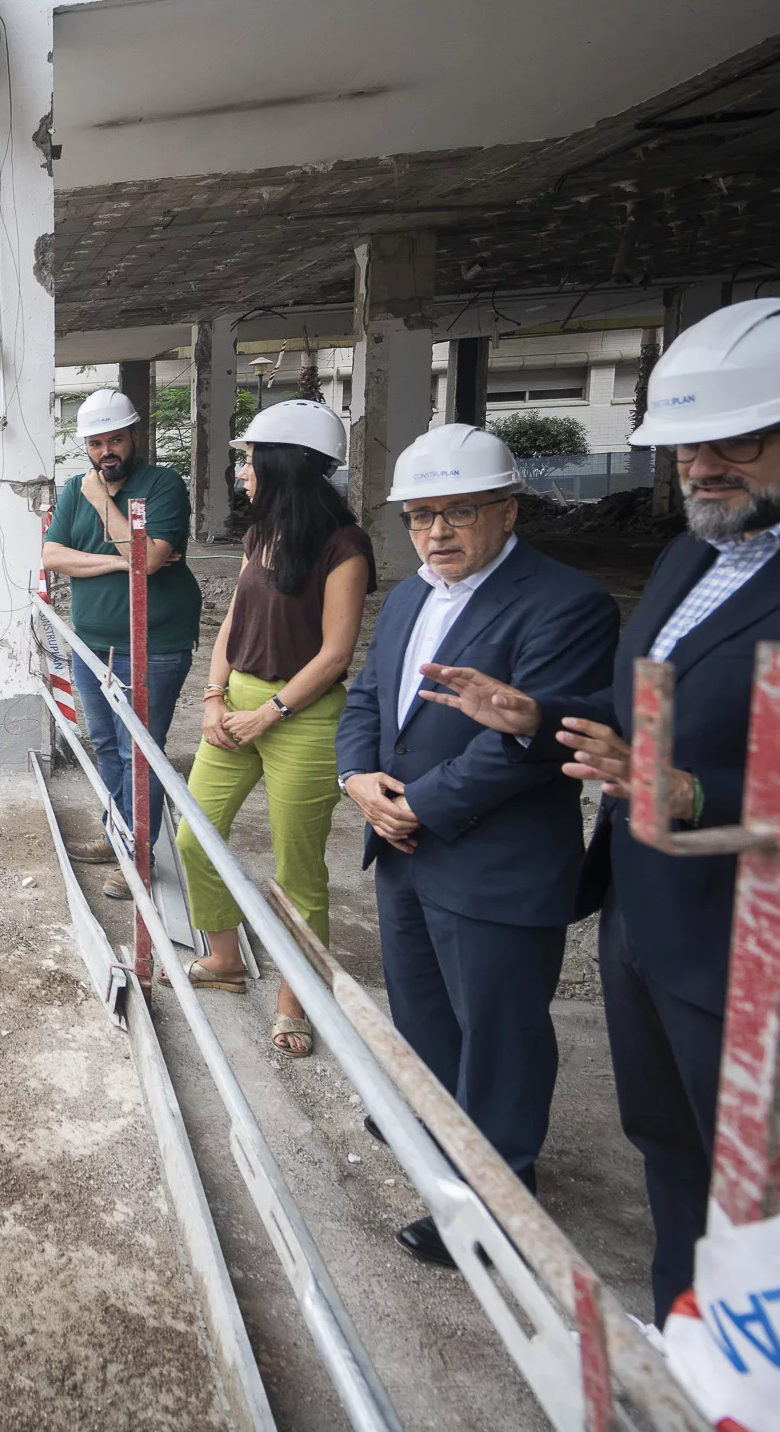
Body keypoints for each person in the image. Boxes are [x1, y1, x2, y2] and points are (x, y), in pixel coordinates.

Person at [421, 299, 780, 1317]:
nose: (699, 466)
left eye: (734, 440)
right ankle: (693, 1362)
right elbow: (655, 710)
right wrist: (540, 715)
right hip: (653, 928)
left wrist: (700, 794)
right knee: (675, 1165)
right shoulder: (696, 551)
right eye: (685, 444)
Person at [336, 424, 619, 1266]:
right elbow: (369, 699)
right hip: (405, 849)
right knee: (423, 1009)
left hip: (494, 861)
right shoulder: (412, 596)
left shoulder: (566, 604)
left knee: (498, 1030)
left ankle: (496, 1200)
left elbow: (524, 746)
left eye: (458, 512)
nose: (436, 533)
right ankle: (433, 1124)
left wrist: (413, 804)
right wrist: (357, 780)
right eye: (420, 516)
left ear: (507, 510)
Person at [177, 399, 371, 1057]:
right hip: (237, 702)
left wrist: (271, 712)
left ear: (284, 465)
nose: (243, 469)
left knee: (299, 870)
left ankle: (297, 1000)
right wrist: (212, 696)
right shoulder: (260, 534)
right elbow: (232, 621)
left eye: (251, 457)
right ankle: (226, 957)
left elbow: (336, 653)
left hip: (304, 715)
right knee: (194, 835)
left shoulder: (345, 547)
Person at [42, 388, 204, 896]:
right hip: (92, 644)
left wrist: (102, 504)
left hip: (153, 645)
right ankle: (119, 835)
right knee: (108, 744)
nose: (105, 451)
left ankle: (139, 858)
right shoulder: (74, 488)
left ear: (134, 436)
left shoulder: (163, 486)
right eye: (95, 443)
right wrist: (121, 562)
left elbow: (151, 559)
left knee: (141, 752)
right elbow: (52, 556)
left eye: (115, 439)